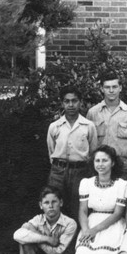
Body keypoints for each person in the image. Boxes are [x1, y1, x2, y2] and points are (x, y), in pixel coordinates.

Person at [75, 145, 127, 254]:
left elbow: (118, 213)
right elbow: (82, 210)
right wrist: (86, 230)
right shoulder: (86, 183)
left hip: (112, 223)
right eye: (97, 160)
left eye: (104, 160)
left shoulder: (121, 185)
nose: (100, 164)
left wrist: (95, 230)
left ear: (112, 163)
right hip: (91, 222)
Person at [47, 85, 97, 220]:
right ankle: (57, 238)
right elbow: (51, 151)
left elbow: (93, 152)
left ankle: (77, 239)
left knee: (78, 207)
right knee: (55, 204)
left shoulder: (88, 126)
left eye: (74, 101)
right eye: (67, 101)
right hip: (58, 171)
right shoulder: (54, 126)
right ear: (62, 103)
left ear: (80, 102)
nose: (70, 105)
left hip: (80, 171)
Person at [87, 72, 127, 178]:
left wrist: (124, 158)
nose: (111, 90)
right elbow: (87, 140)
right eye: (107, 87)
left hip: (123, 166)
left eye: (114, 87)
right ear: (102, 89)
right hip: (99, 166)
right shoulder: (93, 113)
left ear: (120, 88)